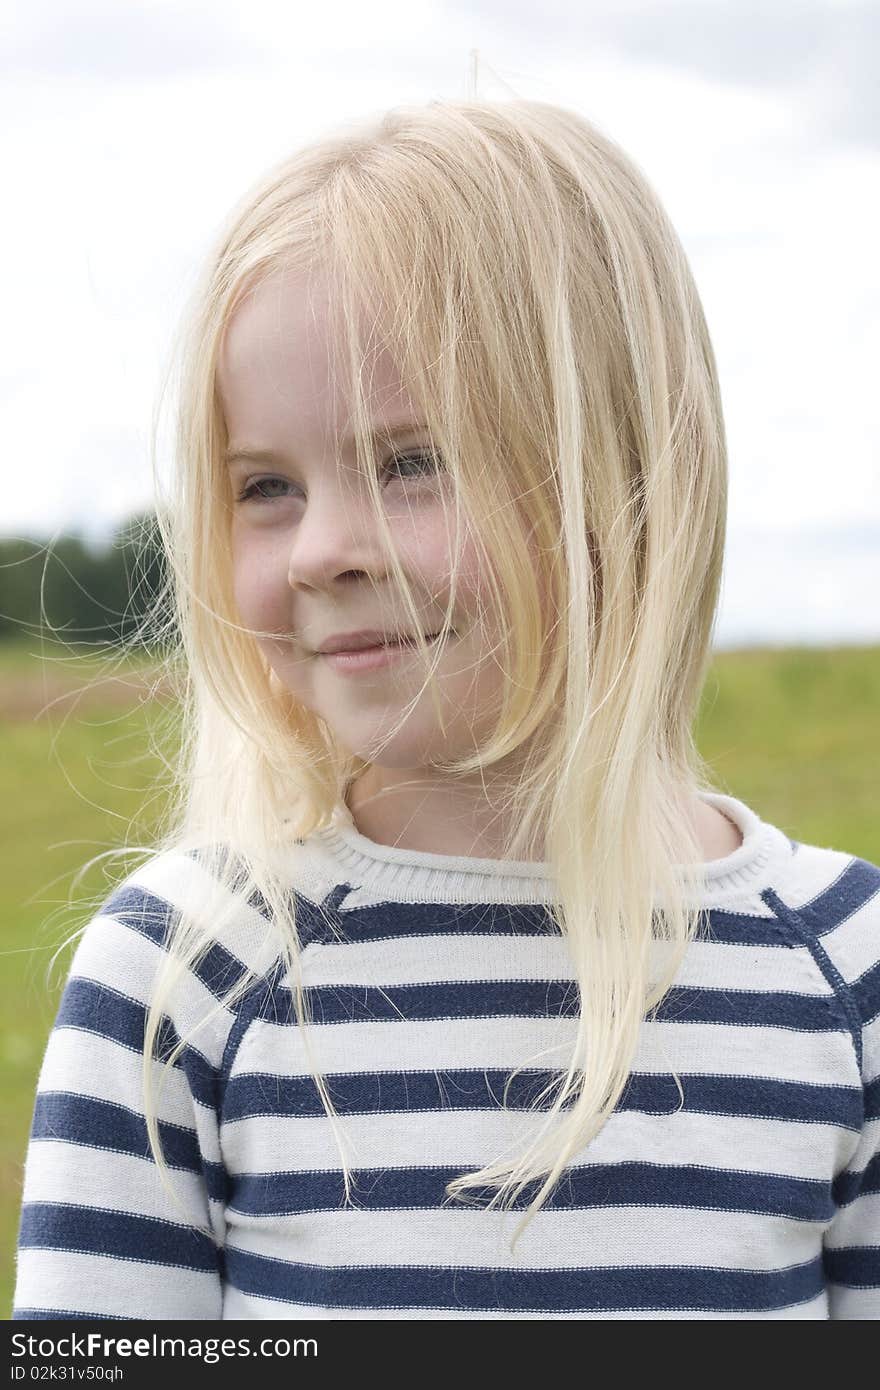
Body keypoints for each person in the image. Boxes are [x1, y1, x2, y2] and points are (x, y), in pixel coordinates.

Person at [12, 97, 880, 1321]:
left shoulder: (841, 972)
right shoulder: (186, 972)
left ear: (624, 475)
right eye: (265, 484)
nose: (319, 549)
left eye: (408, 461)